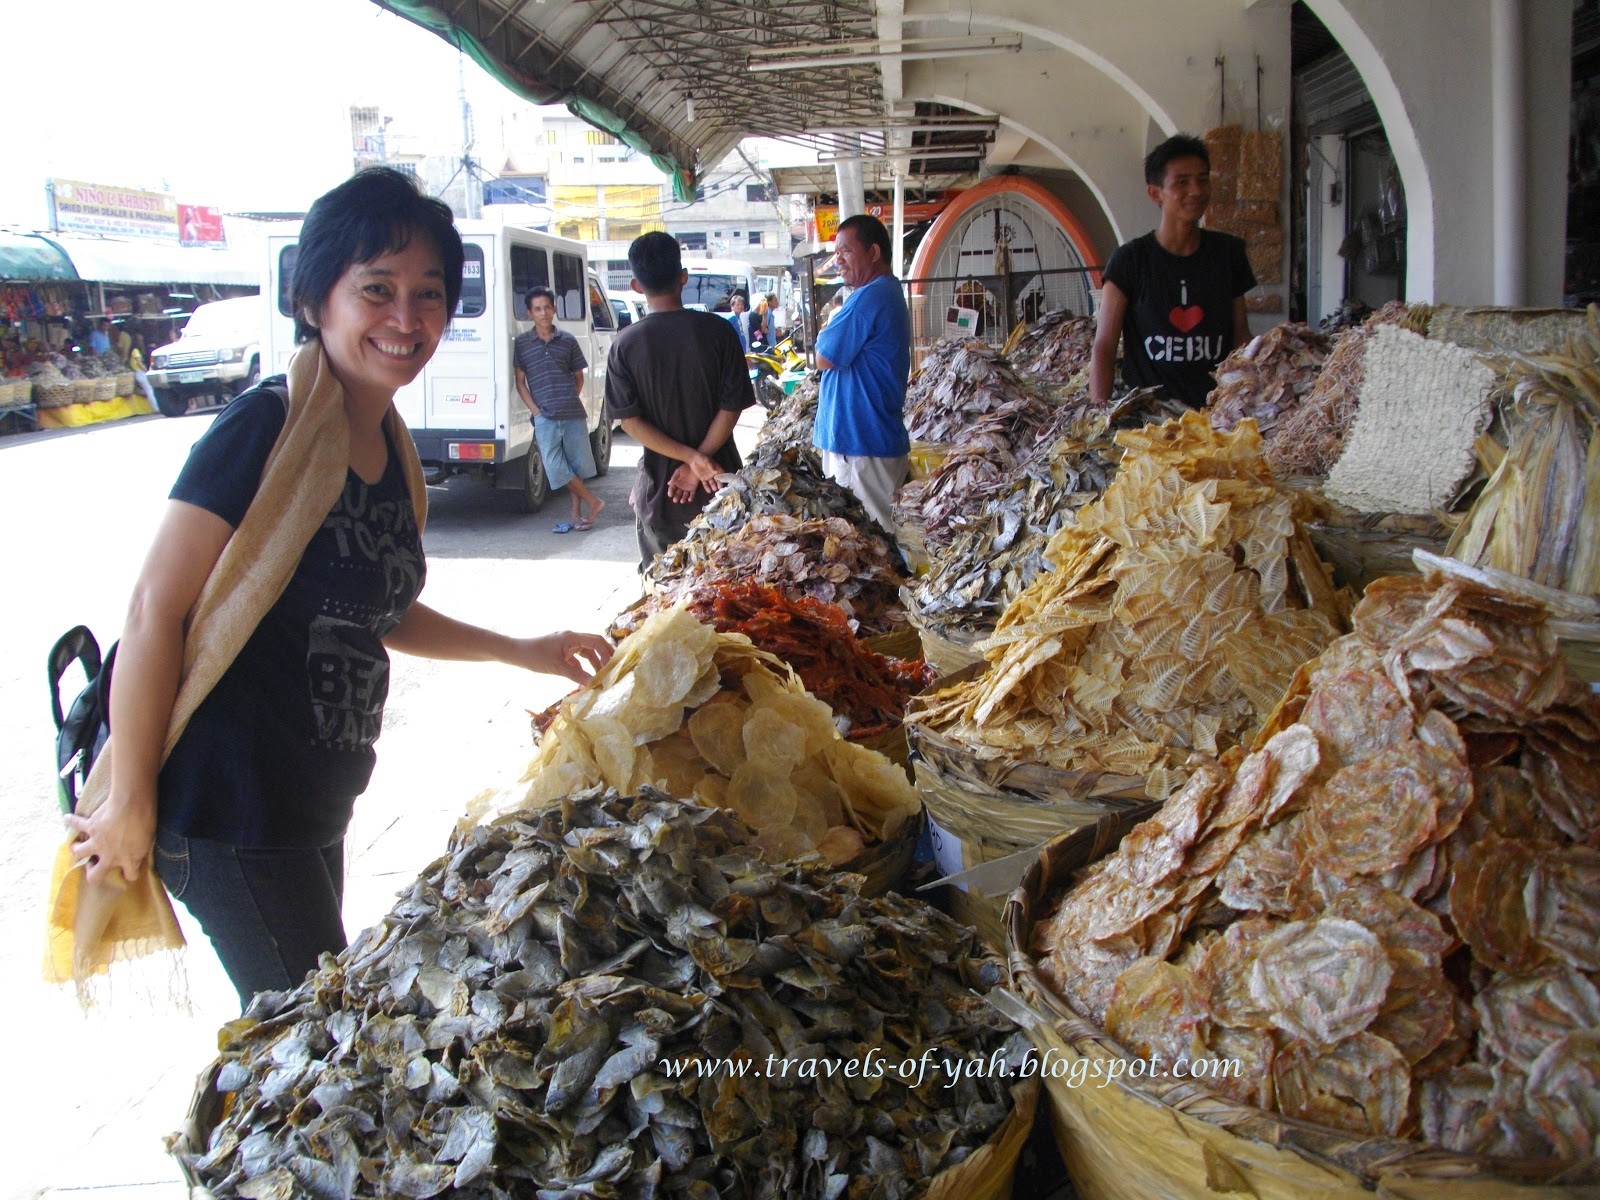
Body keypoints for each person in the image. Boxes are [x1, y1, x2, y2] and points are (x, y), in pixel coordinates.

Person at [61, 167, 613, 1008]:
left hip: (311, 799)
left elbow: (377, 610)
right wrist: (130, 800)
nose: (407, 319)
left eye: (429, 294)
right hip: (230, 807)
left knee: (309, 1019)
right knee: (316, 1037)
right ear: (316, 300)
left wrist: (524, 651)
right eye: (377, 291)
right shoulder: (267, 427)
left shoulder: (387, 445)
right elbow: (153, 610)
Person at [606, 232, 754, 572]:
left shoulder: (625, 345)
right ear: (683, 277)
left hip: (663, 496)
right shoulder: (719, 332)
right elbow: (732, 407)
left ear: (635, 285)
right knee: (729, 597)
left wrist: (691, 460)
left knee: (662, 599)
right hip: (722, 489)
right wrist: (697, 463)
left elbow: (629, 421)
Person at [1089, 133, 1256, 408]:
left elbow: (1240, 337)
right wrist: (1099, 414)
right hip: (1151, 419)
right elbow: (1104, 346)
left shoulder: (1229, 254)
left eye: (1202, 179)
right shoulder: (1129, 261)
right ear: (1156, 193)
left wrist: (1254, 388)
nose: (1196, 190)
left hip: (1215, 414)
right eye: (1182, 182)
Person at [812, 214, 911, 532]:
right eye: (836, 251)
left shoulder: (873, 295)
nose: (837, 259)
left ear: (874, 252)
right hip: (861, 445)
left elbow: (824, 356)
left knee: (871, 543)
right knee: (863, 541)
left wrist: (832, 326)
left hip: (862, 447)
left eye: (846, 251)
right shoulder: (879, 294)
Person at [513, 285, 604, 533]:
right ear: (529, 313)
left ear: (554, 309)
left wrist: (568, 399)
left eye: (546, 307)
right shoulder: (522, 344)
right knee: (553, 466)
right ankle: (594, 502)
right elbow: (520, 382)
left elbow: (579, 377)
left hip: (572, 412)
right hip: (544, 416)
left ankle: (577, 514)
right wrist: (536, 411)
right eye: (537, 309)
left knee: (576, 466)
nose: (543, 313)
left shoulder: (568, 341)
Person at [128, 333, 159, 407]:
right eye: (140, 340)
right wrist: (146, 370)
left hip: (138, 373)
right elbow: (139, 362)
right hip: (140, 373)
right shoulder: (135, 351)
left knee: (149, 390)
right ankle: (156, 407)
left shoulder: (133, 351)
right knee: (150, 390)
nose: (141, 342)